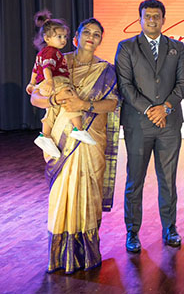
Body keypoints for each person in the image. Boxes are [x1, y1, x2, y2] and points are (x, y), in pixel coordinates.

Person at [30, 18, 120, 274]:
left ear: (100, 40)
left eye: (97, 34)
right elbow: (35, 96)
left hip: (91, 138)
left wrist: (84, 105)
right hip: (60, 141)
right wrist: (54, 99)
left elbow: (113, 104)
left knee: (88, 191)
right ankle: (59, 256)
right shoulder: (56, 61)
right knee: (61, 195)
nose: (91, 36)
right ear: (75, 38)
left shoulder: (106, 70)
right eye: (86, 32)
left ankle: (86, 255)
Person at [115, 0, 184, 252]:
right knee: (134, 180)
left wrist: (165, 107)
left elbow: (183, 82)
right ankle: (132, 232)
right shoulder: (126, 47)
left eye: (157, 16)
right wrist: (150, 109)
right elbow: (125, 85)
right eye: (147, 16)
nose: (152, 20)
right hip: (138, 124)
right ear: (140, 19)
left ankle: (170, 228)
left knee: (168, 179)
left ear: (163, 20)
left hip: (169, 123)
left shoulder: (176, 47)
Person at [27, 10, 96, 157]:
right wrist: (50, 81)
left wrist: (32, 84)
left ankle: (45, 136)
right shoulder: (52, 52)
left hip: (44, 84)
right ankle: (78, 129)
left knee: (51, 109)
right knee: (70, 98)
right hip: (56, 81)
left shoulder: (43, 52)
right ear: (47, 38)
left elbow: (35, 69)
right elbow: (46, 67)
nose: (63, 40)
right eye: (59, 36)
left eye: (65, 37)